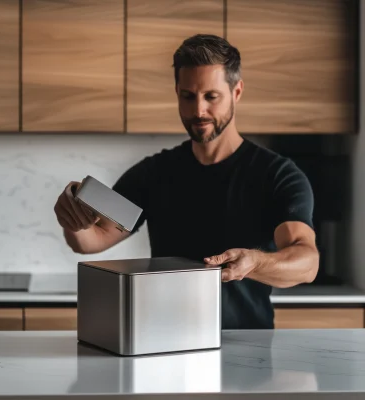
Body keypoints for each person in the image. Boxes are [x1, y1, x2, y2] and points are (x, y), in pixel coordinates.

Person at [54, 34, 319, 329]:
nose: (198, 111)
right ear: (177, 92)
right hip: (165, 344)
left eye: (211, 96)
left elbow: (306, 262)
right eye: (188, 96)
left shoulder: (277, 175)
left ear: (237, 92)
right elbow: (95, 238)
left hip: (247, 347)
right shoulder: (152, 174)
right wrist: (73, 220)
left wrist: (255, 263)